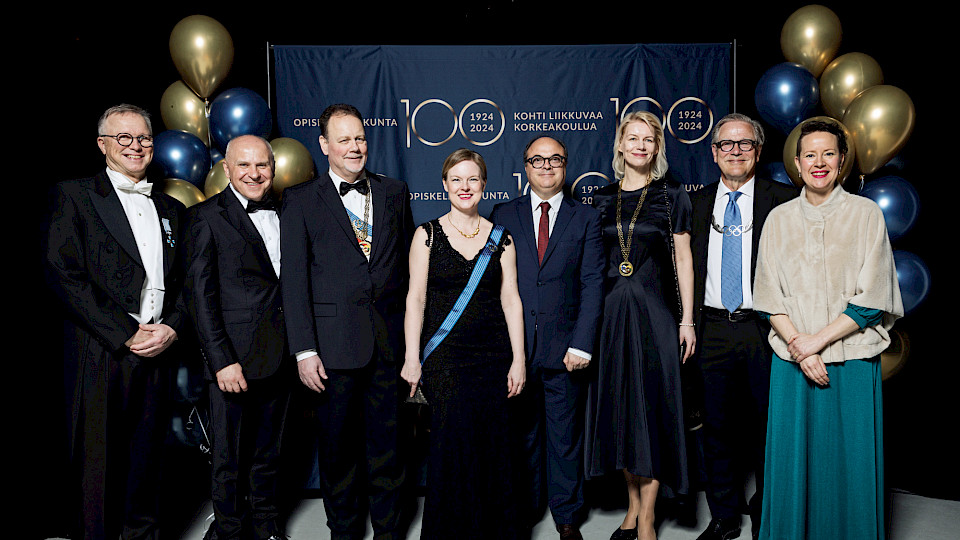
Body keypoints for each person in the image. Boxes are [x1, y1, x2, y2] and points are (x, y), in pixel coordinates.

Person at [753, 120, 902, 540]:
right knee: (792, 463)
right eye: (810, 155)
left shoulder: (865, 214)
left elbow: (873, 297)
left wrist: (815, 343)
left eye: (828, 154)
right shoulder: (778, 219)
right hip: (792, 363)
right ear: (797, 163)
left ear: (842, 160)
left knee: (851, 465)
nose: (819, 163)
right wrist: (800, 348)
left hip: (852, 362)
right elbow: (768, 297)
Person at [45, 104, 186, 540]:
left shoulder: (170, 207)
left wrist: (172, 327)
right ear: (102, 144)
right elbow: (62, 272)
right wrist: (126, 333)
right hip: (102, 349)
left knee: (148, 460)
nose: (136, 146)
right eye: (124, 138)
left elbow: (184, 281)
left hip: (158, 348)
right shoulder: (74, 195)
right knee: (98, 464)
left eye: (143, 138)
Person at [281, 103, 413, 540]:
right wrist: (304, 350)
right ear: (324, 145)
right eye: (344, 140)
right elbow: (294, 281)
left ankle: (389, 532)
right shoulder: (300, 199)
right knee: (338, 452)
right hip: (331, 347)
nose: (355, 147)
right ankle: (344, 532)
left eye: (359, 138)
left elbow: (409, 274)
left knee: (388, 447)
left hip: (388, 344)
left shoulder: (395, 191)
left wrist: (413, 348)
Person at [401, 148, 526, 539]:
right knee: (452, 451)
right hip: (446, 360)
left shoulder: (502, 239)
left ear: (484, 184)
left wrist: (519, 359)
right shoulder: (426, 236)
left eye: (472, 179)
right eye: (456, 179)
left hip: (492, 358)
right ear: (445, 185)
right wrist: (411, 358)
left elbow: (511, 299)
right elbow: (415, 299)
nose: (465, 186)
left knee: (494, 449)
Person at [585, 111, 696, 540]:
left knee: (651, 410)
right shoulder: (601, 198)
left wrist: (687, 319)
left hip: (656, 317)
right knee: (622, 413)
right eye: (632, 138)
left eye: (648, 139)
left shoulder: (672, 196)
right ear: (620, 145)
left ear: (657, 147)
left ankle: (647, 516)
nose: (640, 146)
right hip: (612, 319)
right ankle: (632, 507)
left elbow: (684, 259)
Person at [489, 136, 604, 540]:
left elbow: (593, 284)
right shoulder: (503, 214)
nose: (547, 166)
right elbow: (492, 283)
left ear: (565, 166)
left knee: (564, 438)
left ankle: (567, 516)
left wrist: (582, 343)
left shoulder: (585, 217)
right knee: (521, 436)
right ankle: (525, 510)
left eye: (555, 159)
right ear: (525, 167)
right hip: (516, 350)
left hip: (565, 348)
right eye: (538, 160)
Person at [689, 114, 797, 540]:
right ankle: (724, 517)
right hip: (712, 327)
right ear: (714, 152)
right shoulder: (696, 203)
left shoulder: (784, 200)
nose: (735, 151)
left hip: (765, 328)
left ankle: (767, 515)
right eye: (726, 145)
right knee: (716, 428)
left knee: (768, 428)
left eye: (745, 143)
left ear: (758, 150)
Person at [182, 135, 290, 540]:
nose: (254, 173)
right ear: (226, 169)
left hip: (282, 353)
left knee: (269, 452)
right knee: (228, 458)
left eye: (262, 165)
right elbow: (200, 298)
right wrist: (221, 360)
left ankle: (267, 527)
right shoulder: (205, 217)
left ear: (273, 168)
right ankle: (229, 531)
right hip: (232, 359)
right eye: (244, 165)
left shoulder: (289, 212)